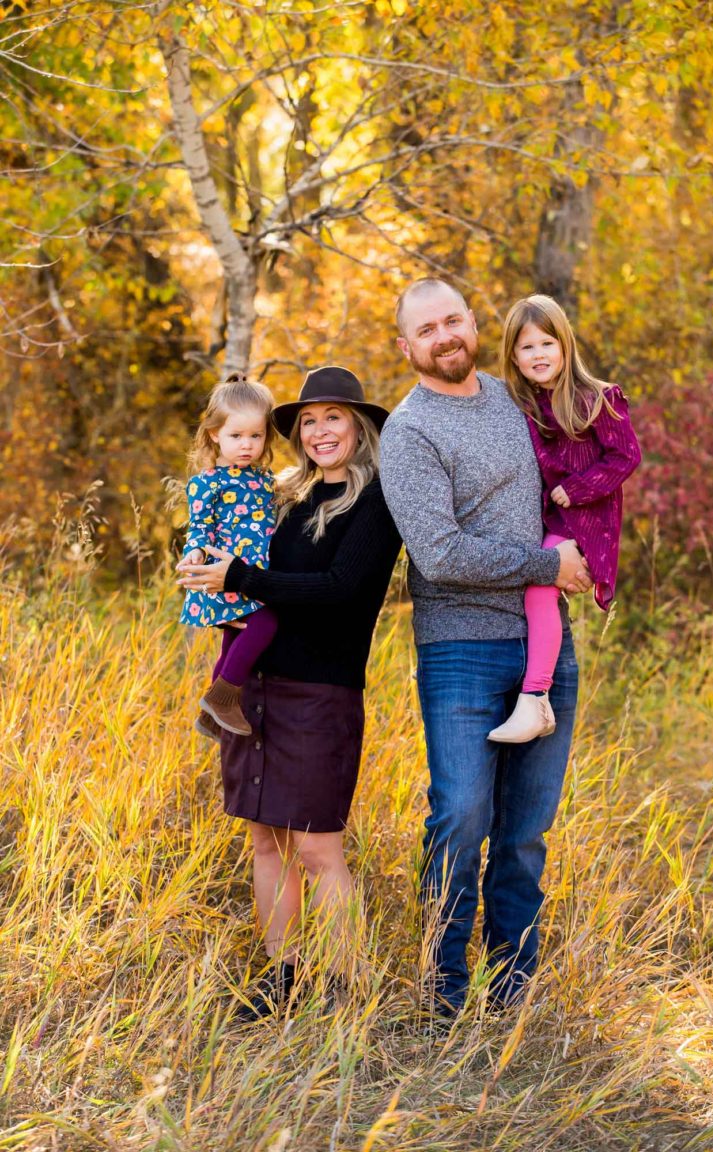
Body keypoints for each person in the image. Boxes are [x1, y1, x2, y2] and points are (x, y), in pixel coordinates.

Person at [379, 277, 591, 1015]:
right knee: (462, 817)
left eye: (452, 320)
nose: (444, 336)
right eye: (426, 329)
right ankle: (442, 990)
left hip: (546, 648)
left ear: (473, 323)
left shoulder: (514, 398)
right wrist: (547, 565)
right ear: (406, 347)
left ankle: (513, 995)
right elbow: (438, 555)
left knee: (526, 834)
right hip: (461, 648)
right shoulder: (408, 433)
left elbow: (582, 459)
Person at [177, 366, 401, 1016]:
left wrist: (241, 576)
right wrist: (201, 567)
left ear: (358, 427)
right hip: (256, 689)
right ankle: (283, 976)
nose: (320, 430)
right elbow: (227, 555)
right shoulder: (281, 498)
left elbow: (339, 591)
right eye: (308, 420)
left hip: (321, 691)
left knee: (317, 845)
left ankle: (345, 984)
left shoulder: (377, 501)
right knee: (265, 839)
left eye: (334, 417)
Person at [488, 295, 641, 743]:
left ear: (565, 346)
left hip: (587, 523)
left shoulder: (598, 399)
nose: (539, 355)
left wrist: (576, 489)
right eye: (527, 347)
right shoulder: (525, 406)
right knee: (533, 589)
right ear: (514, 357)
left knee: (539, 586)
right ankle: (533, 696)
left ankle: (535, 697)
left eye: (547, 344)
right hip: (548, 524)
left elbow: (626, 456)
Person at [179, 373, 278, 738]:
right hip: (226, 572)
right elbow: (199, 528)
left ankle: (210, 712)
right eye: (236, 436)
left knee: (234, 638)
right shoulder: (207, 482)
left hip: (257, 574)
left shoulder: (266, 480)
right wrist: (194, 554)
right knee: (265, 622)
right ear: (214, 435)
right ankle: (224, 697)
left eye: (256, 435)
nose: (247, 444)